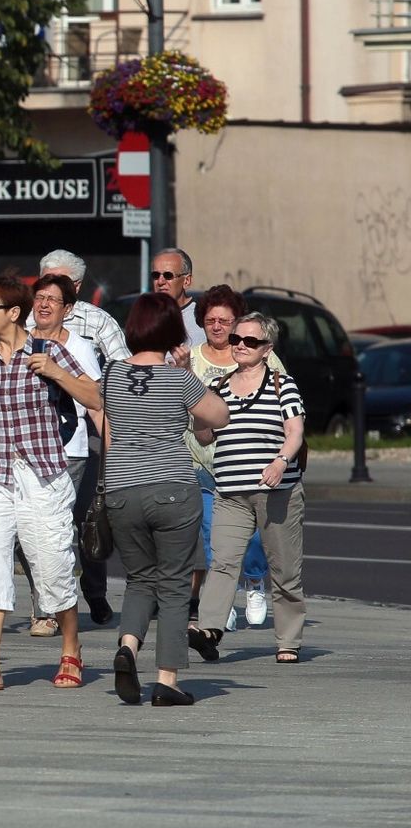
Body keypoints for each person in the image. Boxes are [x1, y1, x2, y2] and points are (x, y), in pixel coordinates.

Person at [0, 275, 101, 692]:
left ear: (13, 313)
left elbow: (95, 398)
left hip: (42, 473)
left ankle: (71, 649)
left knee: (52, 565)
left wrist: (54, 371)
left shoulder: (48, 351)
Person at [101, 293, 230, 706]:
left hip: (121, 487)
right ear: (173, 330)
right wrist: (189, 372)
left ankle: (128, 647)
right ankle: (167, 680)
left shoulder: (112, 374)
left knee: (140, 580)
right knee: (174, 586)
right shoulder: (179, 379)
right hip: (172, 487)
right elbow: (218, 416)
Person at [193, 311, 307, 664]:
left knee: (283, 569)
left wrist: (280, 462)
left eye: (250, 341)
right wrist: (201, 416)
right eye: (236, 340)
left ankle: (288, 640)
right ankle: (209, 630)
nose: (241, 346)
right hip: (229, 491)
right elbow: (204, 435)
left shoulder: (281, 384)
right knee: (223, 563)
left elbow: (295, 434)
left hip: (277, 492)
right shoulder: (220, 387)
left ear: (266, 348)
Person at [190, 284, 277, 627]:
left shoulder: (258, 355)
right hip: (205, 465)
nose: (217, 326)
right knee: (216, 538)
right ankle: (221, 602)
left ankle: (254, 580)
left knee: (255, 537)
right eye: (210, 320)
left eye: (224, 320)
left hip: (256, 467)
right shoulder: (191, 359)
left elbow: (285, 400)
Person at [26, 272, 109, 628]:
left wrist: (113, 451)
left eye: (52, 300)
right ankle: (45, 602)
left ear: (68, 309)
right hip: (25, 452)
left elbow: (95, 400)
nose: (44, 304)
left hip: (69, 450)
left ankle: (61, 606)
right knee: (26, 531)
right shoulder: (21, 343)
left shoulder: (78, 347)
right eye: (39, 297)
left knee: (58, 528)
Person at [32, 250, 129, 367]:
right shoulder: (23, 317)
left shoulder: (97, 319)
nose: (51, 288)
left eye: (60, 283)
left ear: (77, 286)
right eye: (46, 282)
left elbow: (122, 366)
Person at [150, 248, 206, 350]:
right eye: (156, 275)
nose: (160, 281)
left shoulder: (204, 316)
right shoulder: (145, 316)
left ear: (186, 281)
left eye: (168, 275)